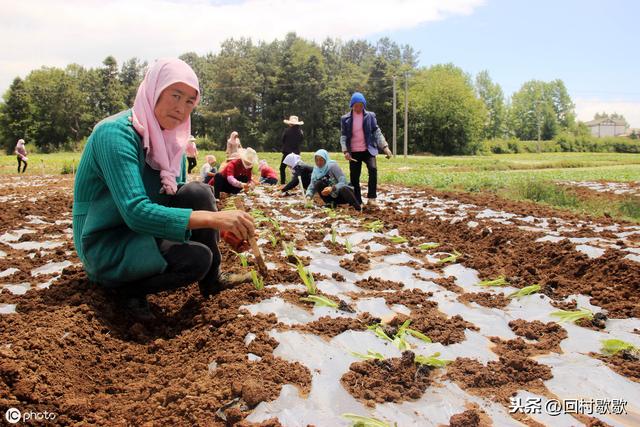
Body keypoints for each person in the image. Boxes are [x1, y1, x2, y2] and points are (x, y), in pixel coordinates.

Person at [72, 58, 255, 320]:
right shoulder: (114, 134)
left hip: (141, 233)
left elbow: (172, 199)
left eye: (190, 101)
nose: (181, 108)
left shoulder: (171, 141)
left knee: (200, 192)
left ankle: (212, 281)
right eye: (175, 96)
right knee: (196, 259)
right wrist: (215, 219)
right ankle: (128, 292)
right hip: (108, 242)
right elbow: (135, 211)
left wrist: (219, 229)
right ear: (154, 90)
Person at [340, 92, 392, 206]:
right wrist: (345, 151)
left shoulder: (370, 116)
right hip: (353, 151)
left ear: (364, 105)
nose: (358, 108)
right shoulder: (345, 119)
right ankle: (358, 200)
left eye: (360, 105)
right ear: (352, 105)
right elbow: (343, 137)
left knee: (373, 169)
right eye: (356, 106)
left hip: (368, 150)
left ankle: (372, 198)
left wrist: (385, 147)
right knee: (354, 177)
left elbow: (377, 132)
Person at [280, 115, 304, 184]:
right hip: (296, 152)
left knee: (282, 168)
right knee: (296, 169)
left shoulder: (287, 131)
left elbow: (283, 140)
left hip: (287, 152)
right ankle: (296, 183)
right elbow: (301, 141)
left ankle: (282, 183)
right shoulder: (301, 132)